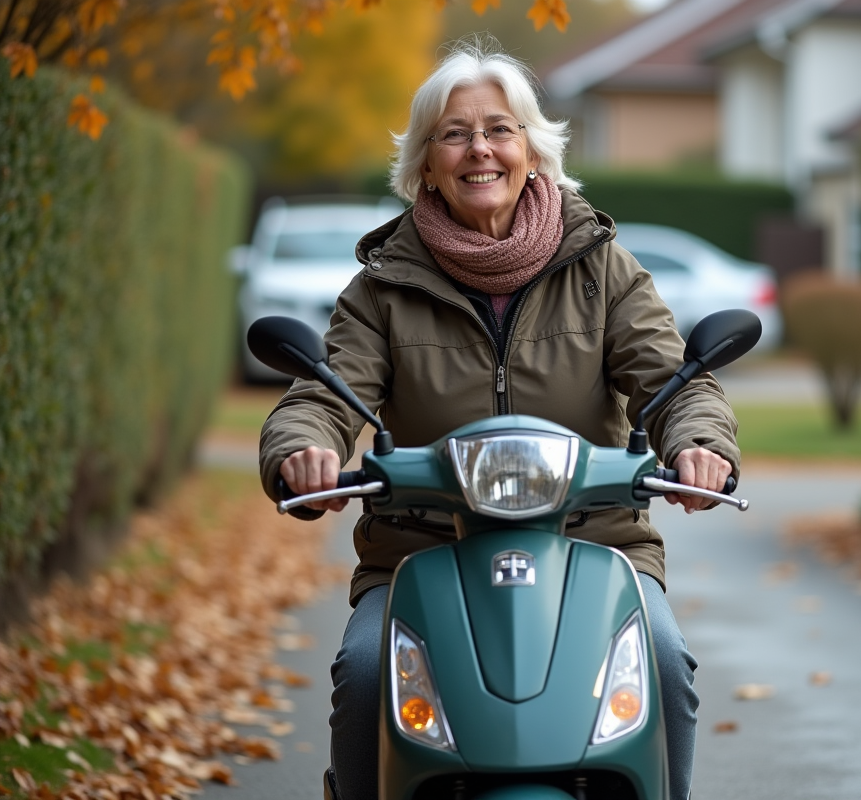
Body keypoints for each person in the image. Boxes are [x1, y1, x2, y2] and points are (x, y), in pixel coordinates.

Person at [257, 38, 740, 800]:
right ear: (424, 162)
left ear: (533, 150)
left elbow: (672, 379)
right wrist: (304, 448)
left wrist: (700, 443)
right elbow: (325, 391)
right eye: (453, 134)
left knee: (665, 660)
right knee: (361, 671)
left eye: (499, 129)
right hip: (419, 551)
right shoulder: (382, 285)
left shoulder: (603, 268)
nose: (478, 149)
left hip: (595, 546)